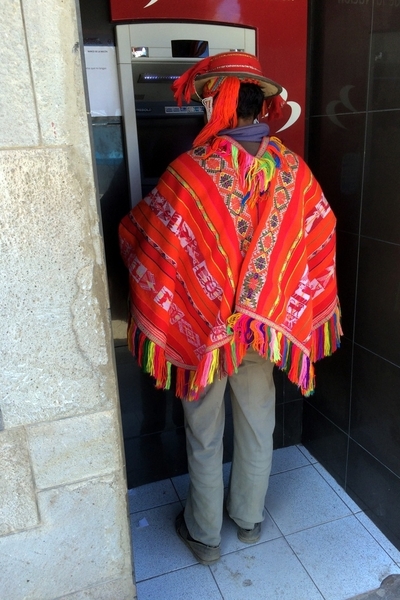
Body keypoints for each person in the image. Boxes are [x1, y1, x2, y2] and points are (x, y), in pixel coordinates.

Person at [119, 52, 342, 566]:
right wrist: (278, 300)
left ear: (216, 104)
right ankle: (247, 521)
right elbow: (320, 237)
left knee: (203, 431)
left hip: (205, 331)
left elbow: (150, 238)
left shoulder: (188, 174)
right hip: (267, 329)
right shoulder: (294, 172)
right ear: (258, 105)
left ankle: (205, 536)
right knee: (259, 422)